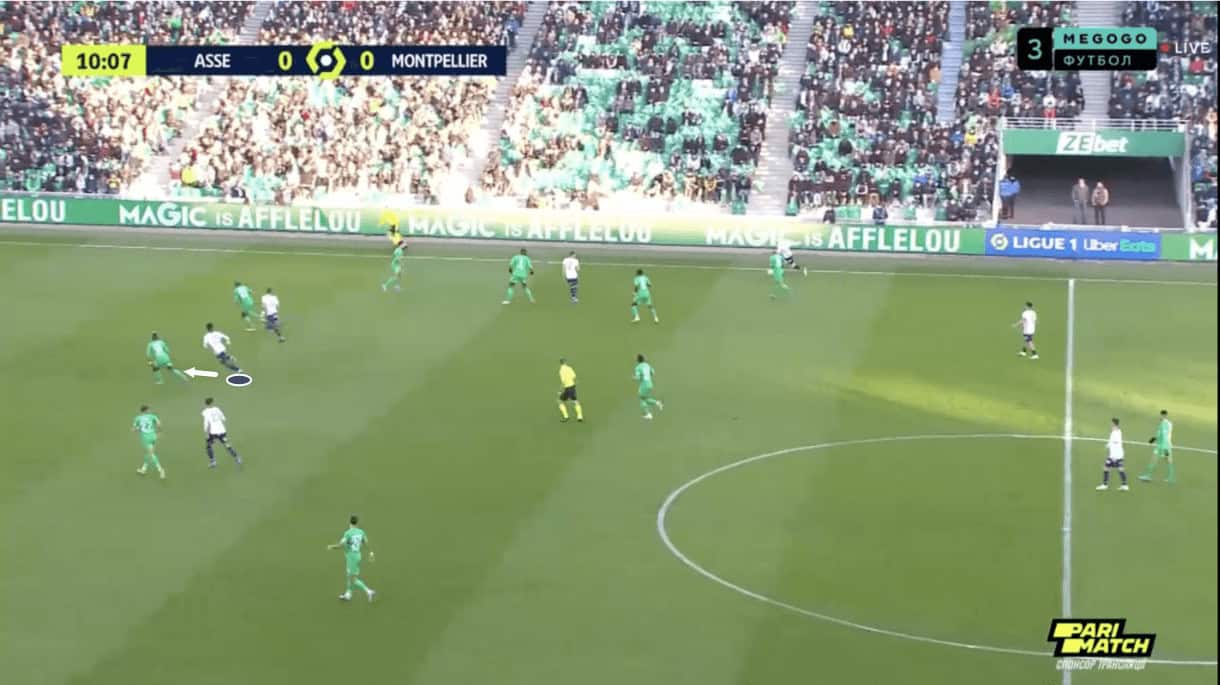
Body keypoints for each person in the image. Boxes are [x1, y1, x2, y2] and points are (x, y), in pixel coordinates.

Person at [327, 514, 376, 602]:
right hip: (357, 555)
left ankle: (368, 591)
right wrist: (371, 552)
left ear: (349, 522)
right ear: (357, 523)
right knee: (349, 575)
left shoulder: (348, 533)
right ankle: (348, 594)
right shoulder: (361, 532)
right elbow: (366, 542)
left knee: (354, 579)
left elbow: (341, 545)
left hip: (352, 558)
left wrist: (332, 547)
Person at [202, 397, 242, 469]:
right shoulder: (217, 409)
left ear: (205, 404)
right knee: (227, 445)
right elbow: (224, 418)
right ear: (212, 403)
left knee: (209, 446)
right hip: (222, 430)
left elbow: (206, 423)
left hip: (212, 432)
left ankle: (213, 462)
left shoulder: (205, 412)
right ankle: (237, 458)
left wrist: (206, 433)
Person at [1139, 410, 1175, 484]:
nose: (1160, 417)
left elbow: (1163, 435)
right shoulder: (1169, 423)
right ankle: (1171, 477)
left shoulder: (1163, 424)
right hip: (1167, 445)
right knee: (1168, 460)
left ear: (1163, 415)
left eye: (1161, 415)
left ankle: (1148, 476)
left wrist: (1153, 441)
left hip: (1162, 445)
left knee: (1154, 459)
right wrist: (1154, 439)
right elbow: (1165, 434)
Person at [131, 405, 166, 479]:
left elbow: (133, 430)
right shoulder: (153, 416)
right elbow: (159, 425)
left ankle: (160, 470)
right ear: (146, 410)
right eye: (149, 410)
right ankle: (143, 469)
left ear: (141, 411)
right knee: (149, 453)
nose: (150, 411)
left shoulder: (137, 418)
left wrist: (138, 428)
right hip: (154, 436)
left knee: (151, 454)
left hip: (146, 438)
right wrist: (160, 432)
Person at [1096, 418, 1129, 491]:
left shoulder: (1115, 433)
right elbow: (1112, 442)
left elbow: (1116, 443)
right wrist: (1108, 445)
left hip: (1115, 455)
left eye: (1111, 423)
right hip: (1118, 454)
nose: (1110, 424)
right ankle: (1124, 485)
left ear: (1114, 424)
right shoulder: (1117, 431)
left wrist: (1113, 456)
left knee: (1106, 468)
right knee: (1120, 469)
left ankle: (1105, 485)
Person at [633, 354, 664, 420]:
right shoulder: (647, 365)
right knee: (646, 399)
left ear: (637, 360)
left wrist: (634, 377)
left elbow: (638, 377)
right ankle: (658, 403)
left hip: (644, 385)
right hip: (650, 384)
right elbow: (653, 373)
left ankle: (648, 414)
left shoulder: (637, 368)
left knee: (642, 399)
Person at [557, 357, 584, 422]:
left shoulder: (561, 371)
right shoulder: (570, 368)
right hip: (572, 387)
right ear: (565, 362)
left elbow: (563, 381)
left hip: (567, 388)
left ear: (560, 363)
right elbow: (574, 377)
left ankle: (566, 416)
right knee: (575, 401)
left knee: (560, 401)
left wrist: (560, 390)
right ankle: (580, 416)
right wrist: (574, 385)